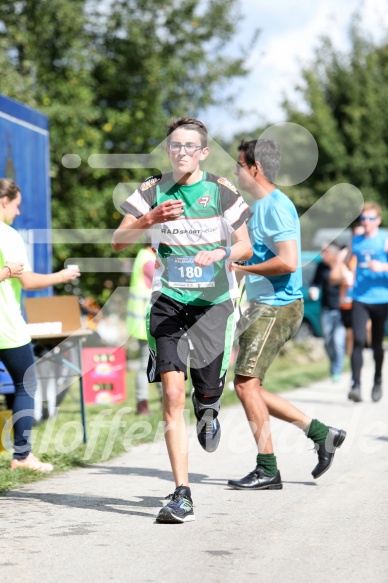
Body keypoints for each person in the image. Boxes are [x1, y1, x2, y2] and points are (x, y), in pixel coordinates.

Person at [112, 117, 252, 522]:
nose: (182, 152)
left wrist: (222, 254)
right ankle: (182, 494)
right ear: (168, 149)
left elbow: (245, 245)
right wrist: (149, 220)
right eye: (175, 145)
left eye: (190, 146)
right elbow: (118, 240)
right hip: (168, 302)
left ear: (203, 153)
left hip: (214, 305)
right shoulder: (152, 191)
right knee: (171, 394)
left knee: (205, 393)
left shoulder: (221, 192)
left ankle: (208, 407)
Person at [226, 139, 346, 491]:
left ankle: (268, 469)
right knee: (248, 387)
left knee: (246, 384)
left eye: (239, 165)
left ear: (255, 169)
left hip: (278, 306)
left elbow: (290, 261)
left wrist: (245, 270)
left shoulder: (276, 206)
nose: (236, 171)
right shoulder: (258, 207)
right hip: (264, 306)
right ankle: (323, 434)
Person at [0, 178, 80, 472]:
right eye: (16, 206)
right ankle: (21, 456)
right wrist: (61, 276)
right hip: (6, 326)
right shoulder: (7, 235)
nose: (18, 213)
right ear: (4, 201)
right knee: (26, 383)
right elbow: (29, 281)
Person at [345, 203, 388, 403]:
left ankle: (378, 379)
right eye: (363, 219)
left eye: (370, 219)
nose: (366, 223)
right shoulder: (356, 240)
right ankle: (356, 385)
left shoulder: (384, 239)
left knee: (377, 344)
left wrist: (383, 266)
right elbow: (345, 261)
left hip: (381, 298)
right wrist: (347, 274)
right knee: (359, 340)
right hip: (359, 297)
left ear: (378, 221)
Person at [126, 245, 162, 415]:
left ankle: (146, 404)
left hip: (143, 321)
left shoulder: (142, 256)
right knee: (157, 362)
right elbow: (162, 281)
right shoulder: (149, 260)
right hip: (147, 321)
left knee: (154, 362)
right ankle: (146, 404)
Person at [309, 243, 346, 381]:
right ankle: (333, 364)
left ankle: (337, 370)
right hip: (326, 309)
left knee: (338, 341)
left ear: (333, 254)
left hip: (341, 310)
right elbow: (315, 282)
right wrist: (314, 289)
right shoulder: (321, 267)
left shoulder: (342, 266)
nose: (322, 255)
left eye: (325, 253)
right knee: (328, 341)